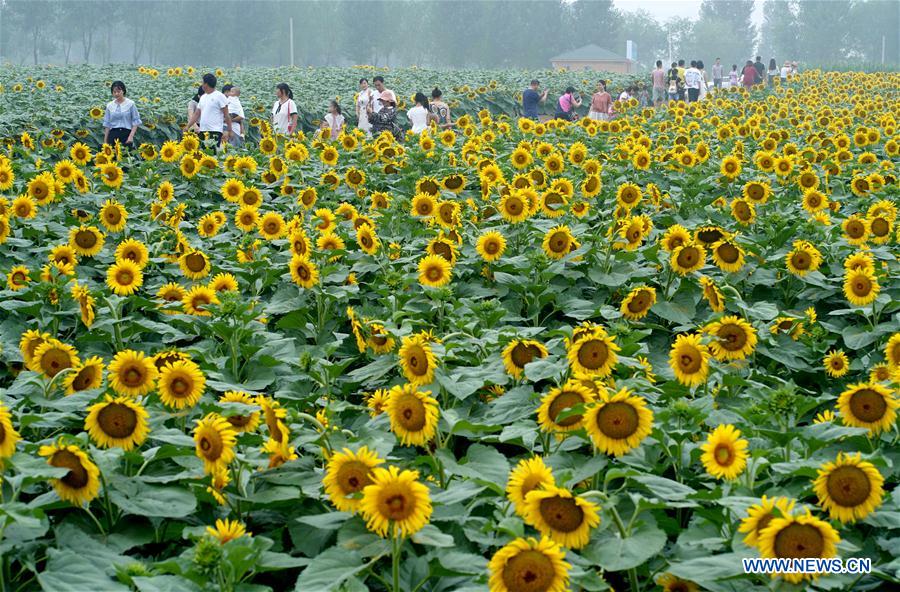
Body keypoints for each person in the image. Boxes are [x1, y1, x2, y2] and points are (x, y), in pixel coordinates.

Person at [183, 73, 231, 145]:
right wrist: (188, 126)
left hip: (215, 131)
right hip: (203, 131)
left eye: (202, 82)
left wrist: (229, 131)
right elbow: (196, 114)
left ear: (206, 84)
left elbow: (226, 115)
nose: (202, 84)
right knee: (204, 154)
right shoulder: (203, 97)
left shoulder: (219, 96)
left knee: (213, 154)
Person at [103, 80, 141, 149]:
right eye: (114, 92)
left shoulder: (130, 104)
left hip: (126, 135)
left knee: (127, 157)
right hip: (113, 135)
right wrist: (105, 142)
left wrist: (130, 137)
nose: (116, 94)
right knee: (113, 158)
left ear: (123, 91)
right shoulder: (109, 106)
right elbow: (107, 125)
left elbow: (136, 122)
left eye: (118, 91)